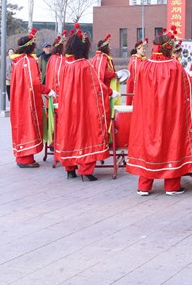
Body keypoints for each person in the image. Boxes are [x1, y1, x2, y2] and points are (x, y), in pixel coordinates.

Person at [126, 26, 192, 195]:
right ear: (169, 48)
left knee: (147, 145)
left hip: (148, 115)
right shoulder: (174, 66)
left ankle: (144, 186)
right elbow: (190, 88)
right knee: (171, 144)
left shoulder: (144, 66)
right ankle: (171, 185)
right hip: (169, 115)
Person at [54, 24, 117, 181]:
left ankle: (70, 169)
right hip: (83, 107)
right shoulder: (85, 65)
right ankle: (86, 169)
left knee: (69, 134)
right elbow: (97, 87)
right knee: (87, 134)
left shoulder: (65, 65)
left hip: (68, 107)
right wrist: (110, 92)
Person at [9, 29, 55, 168]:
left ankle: (21, 155)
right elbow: (35, 83)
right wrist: (48, 90)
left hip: (19, 99)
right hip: (28, 100)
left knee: (20, 125)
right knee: (28, 125)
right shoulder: (28, 62)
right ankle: (26, 159)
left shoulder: (18, 61)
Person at [92, 34, 121, 106]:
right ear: (105, 48)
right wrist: (115, 74)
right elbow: (102, 74)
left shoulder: (102, 57)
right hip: (104, 89)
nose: (110, 48)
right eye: (109, 46)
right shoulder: (101, 58)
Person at [126, 38, 148, 106]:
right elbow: (137, 74)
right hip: (136, 85)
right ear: (137, 49)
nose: (144, 51)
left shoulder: (142, 59)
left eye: (145, 49)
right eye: (143, 49)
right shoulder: (135, 60)